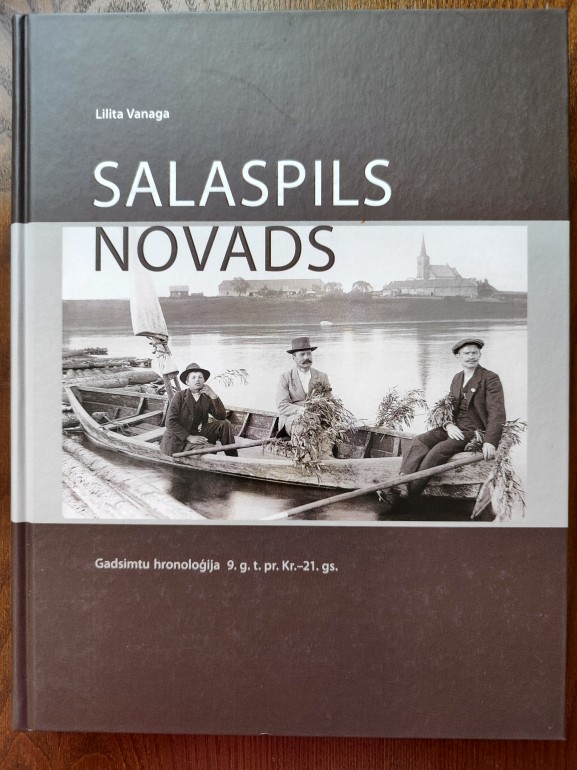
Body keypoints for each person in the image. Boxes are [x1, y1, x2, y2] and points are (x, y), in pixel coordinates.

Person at [397, 338, 506, 497]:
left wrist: (490, 441)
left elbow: (497, 413)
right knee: (420, 441)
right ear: (458, 356)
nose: (471, 357)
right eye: (466, 353)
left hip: (473, 432)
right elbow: (448, 407)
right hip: (454, 428)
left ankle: (410, 494)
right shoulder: (457, 378)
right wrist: (448, 425)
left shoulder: (490, 378)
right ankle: (402, 481)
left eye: (474, 353)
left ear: (480, 355)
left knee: (437, 452)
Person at [160, 362, 238, 457]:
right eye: (193, 377)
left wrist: (213, 395)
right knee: (211, 449)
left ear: (204, 380)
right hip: (178, 440)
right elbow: (170, 422)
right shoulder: (179, 396)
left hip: (196, 432)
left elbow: (221, 416)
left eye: (200, 377)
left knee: (225, 423)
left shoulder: (206, 396)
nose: (197, 380)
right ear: (187, 382)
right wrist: (189, 437)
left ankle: (233, 457)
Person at [276, 336, 331, 437]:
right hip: (292, 419)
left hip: (317, 419)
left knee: (331, 433)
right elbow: (282, 405)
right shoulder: (285, 378)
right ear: (294, 358)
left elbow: (329, 401)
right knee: (303, 430)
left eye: (309, 353)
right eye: (302, 354)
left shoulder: (322, 377)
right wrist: (302, 410)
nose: (306, 357)